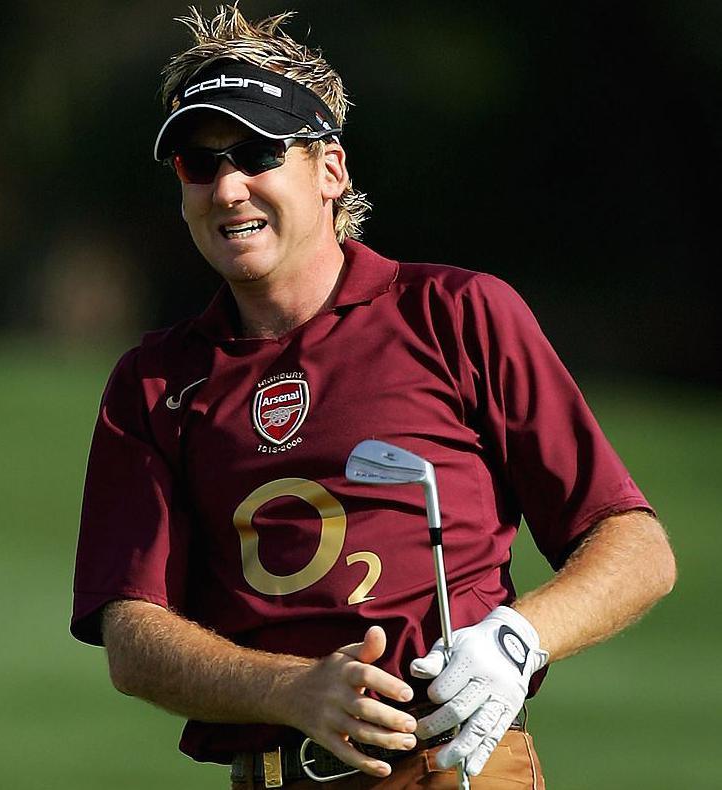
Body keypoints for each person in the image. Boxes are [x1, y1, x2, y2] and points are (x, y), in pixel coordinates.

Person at [70, 6, 676, 789]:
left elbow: (636, 546)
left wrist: (520, 636)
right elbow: (132, 637)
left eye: (257, 154)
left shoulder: (456, 314)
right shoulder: (153, 382)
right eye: (199, 162)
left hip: (453, 771)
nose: (227, 188)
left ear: (331, 169)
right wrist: (291, 689)